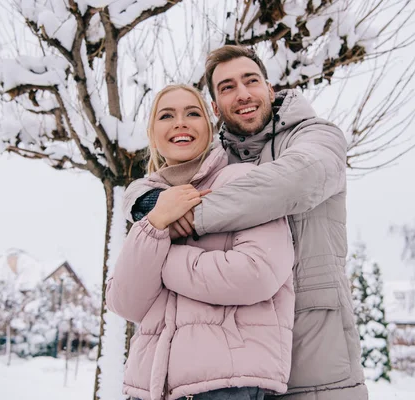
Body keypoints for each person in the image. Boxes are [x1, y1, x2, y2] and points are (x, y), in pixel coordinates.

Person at [123, 47, 368, 400]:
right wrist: (145, 204)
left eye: (250, 81)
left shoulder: (315, 136)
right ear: (215, 108)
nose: (242, 94)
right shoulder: (218, 157)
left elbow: (297, 180)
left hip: (313, 347)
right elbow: (158, 179)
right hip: (240, 352)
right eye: (226, 87)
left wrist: (186, 217)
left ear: (270, 89)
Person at [106, 84, 296, 400]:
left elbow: (256, 275)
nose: (180, 122)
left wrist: (159, 260)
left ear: (210, 127)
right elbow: (125, 302)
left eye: (192, 113)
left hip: (228, 384)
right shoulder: (149, 208)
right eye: (167, 115)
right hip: (149, 388)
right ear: (153, 134)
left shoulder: (243, 181)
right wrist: (155, 223)